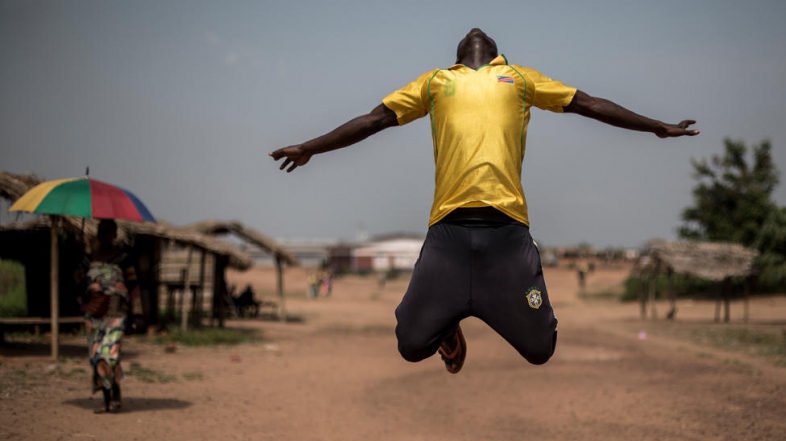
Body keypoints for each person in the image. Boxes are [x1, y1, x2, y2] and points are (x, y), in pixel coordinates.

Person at [270, 28, 698, 374]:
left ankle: (479, 303)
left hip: (507, 231)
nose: (476, 31)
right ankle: (450, 323)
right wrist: (311, 147)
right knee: (411, 345)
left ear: (500, 57)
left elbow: (588, 104)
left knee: (540, 350)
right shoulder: (436, 81)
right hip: (449, 232)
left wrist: (656, 127)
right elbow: (373, 119)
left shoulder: (521, 79)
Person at [77, 219, 143, 413]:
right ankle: (108, 398)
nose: (104, 236)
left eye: (108, 232)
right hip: (93, 312)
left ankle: (115, 391)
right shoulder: (88, 260)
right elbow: (78, 287)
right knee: (96, 356)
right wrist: (83, 298)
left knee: (111, 354)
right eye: (101, 231)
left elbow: (133, 287)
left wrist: (137, 313)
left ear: (115, 235)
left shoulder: (123, 259)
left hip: (115, 309)